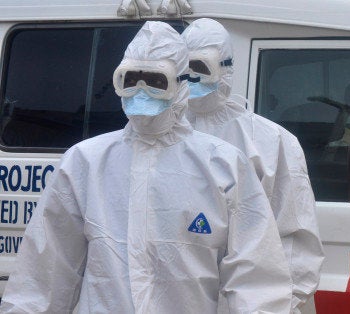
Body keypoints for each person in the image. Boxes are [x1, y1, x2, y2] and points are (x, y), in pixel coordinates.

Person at [0, 21, 292, 313]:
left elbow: (255, 281)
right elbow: (44, 274)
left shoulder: (224, 165)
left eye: (156, 82)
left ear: (179, 85)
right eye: (130, 80)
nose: (141, 92)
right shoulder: (85, 162)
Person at [181, 18, 325, 313]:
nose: (191, 79)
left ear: (225, 67)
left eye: (201, 67)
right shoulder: (163, 139)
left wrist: (281, 302)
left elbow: (296, 236)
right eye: (183, 69)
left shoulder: (271, 141)